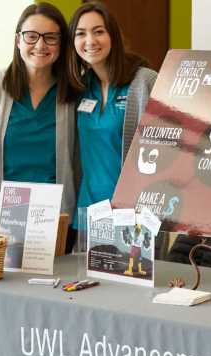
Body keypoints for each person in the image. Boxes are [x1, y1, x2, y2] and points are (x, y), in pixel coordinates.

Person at [0, 2, 78, 225]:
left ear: (61, 43)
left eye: (50, 37)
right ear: (18, 40)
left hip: (54, 219)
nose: (40, 44)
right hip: (0, 219)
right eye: (31, 36)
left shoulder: (72, 93)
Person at [67, 1, 157, 240]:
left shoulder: (143, 82)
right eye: (81, 34)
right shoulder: (80, 88)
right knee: (90, 277)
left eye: (98, 31)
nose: (90, 41)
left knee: (131, 274)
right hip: (90, 211)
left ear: (113, 36)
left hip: (134, 213)